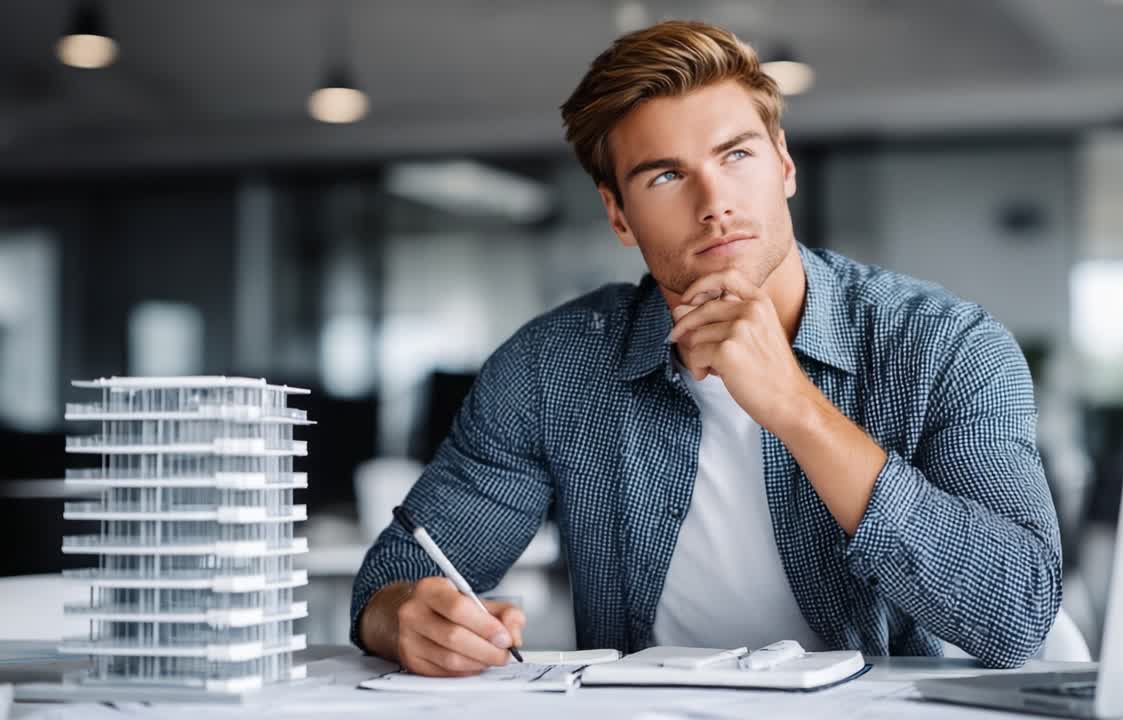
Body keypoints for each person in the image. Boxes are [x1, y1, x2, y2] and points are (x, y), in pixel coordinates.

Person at [351, 20, 1062, 677]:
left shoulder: (945, 346)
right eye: (665, 175)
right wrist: (401, 618)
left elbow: (1018, 614)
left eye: (737, 155)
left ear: (783, 165)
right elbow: (396, 574)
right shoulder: (550, 368)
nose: (713, 201)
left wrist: (794, 407)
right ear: (617, 215)